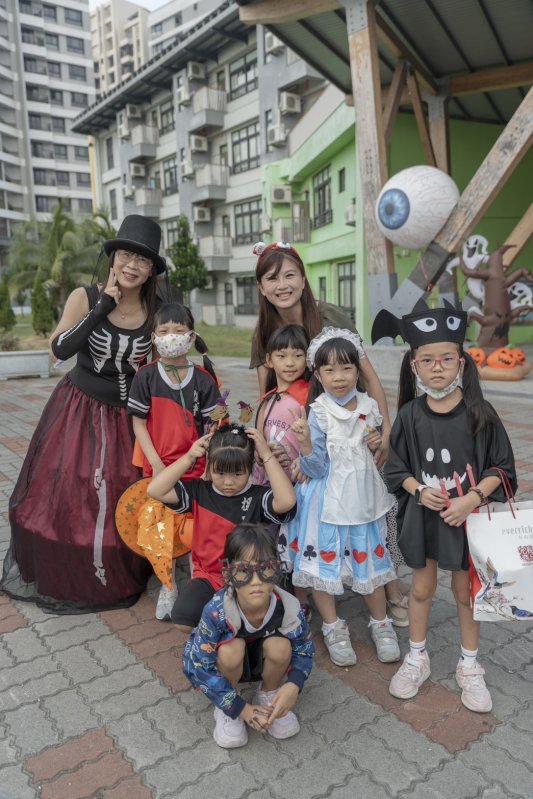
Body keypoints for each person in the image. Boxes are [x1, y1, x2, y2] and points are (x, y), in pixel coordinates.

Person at [1, 215, 164, 613]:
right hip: (80, 409)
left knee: (123, 490)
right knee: (75, 487)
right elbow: (59, 351)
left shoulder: (157, 309)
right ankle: (71, 565)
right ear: (112, 257)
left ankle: (116, 564)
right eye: (125, 255)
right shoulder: (85, 297)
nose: (132, 265)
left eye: (142, 259)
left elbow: (161, 366)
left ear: (151, 270)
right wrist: (102, 306)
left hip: (130, 418)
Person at [374, 299, 517, 712]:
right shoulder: (409, 415)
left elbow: (502, 468)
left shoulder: (480, 413)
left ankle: (469, 665)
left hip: (467, 522)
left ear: (462, 364)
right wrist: (419, 489)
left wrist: (472, 498)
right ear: (413, 366)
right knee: (421, 588)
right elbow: (396, 469)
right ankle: (417, 657)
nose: (437, 367)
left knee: (464, 592)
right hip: (425, 518)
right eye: (427, 360)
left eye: (447, 359)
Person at [285, 327, 400, 668]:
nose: (339, 377)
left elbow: (374, 449)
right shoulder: (318, 412)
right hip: (326, 503)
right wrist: (306, 445)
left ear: (357, 371)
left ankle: (381, 623)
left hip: (362, 500)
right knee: (325, 565)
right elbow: (316, 468)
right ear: (317, 375)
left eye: (347, 368)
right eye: (330, 370)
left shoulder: (369, 406)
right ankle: (333, 627)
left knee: (370, 562)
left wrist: (376, 442)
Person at [250, 241, 391, 464]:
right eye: (272, 278)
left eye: (289, 275)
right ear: (261, 287)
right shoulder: (264, 332)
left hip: (345, 431)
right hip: (297, 436)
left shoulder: (330, 317)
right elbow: (269, 395)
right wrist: (264, 443)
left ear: (303, 279)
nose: (282, 285)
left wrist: (386, 431)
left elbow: (368, 377)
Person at [147, 422, 297, 632]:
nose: (228, 482)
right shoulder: (199, 491)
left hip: (248, 578)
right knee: (182, 618)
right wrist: (189, 457)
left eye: (237, 474)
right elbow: (155, 489)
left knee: (253, 626)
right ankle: (222, 635)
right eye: (220, 473)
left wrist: (266, 455)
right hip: (208, 576)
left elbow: (287, 501)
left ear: (250, 468)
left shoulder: (257, 496)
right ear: (209, 465)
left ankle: (237, 637)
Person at [127, 302, 221, 620]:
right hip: (158, 468)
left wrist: (209, 467)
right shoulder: (145, 376)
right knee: (160, 528)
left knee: (195, 529)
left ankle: (199, 583)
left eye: (179, 331)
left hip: (197, 468)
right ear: (154, 337)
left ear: (191, 337)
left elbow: (213, 427)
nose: (171, 336)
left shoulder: (205, 380)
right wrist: (156, 464)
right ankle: (168, 586)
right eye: (164, 331)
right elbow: (139, 424)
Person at [183, 523, 314, 749]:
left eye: (266, 569)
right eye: (244, 571)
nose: (256, 581)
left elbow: (303, 649)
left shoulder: (290, 607)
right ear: (229, 575)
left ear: (277, 569)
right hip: (228, 664)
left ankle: (268, 694)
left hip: (262, 659)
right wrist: (241, 709)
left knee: (282, 647)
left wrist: (294, 684)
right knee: (230, 650)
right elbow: (200, 666)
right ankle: (227, 708)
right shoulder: (216, 611)